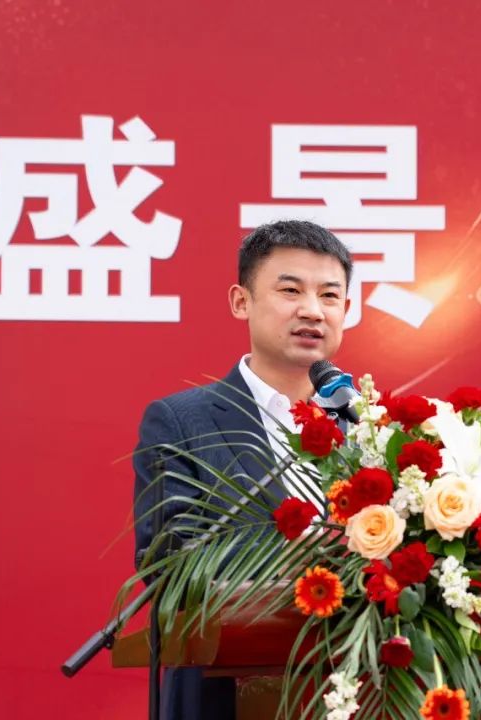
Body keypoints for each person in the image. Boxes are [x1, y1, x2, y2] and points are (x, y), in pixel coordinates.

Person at [133, 220, 353, 720]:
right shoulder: (181, 422)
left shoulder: (369, 425)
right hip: (225, 699)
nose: (312, 310)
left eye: (329, 295)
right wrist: (309, 563)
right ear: (241, 301)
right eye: (290, 290)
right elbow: (168, 570)